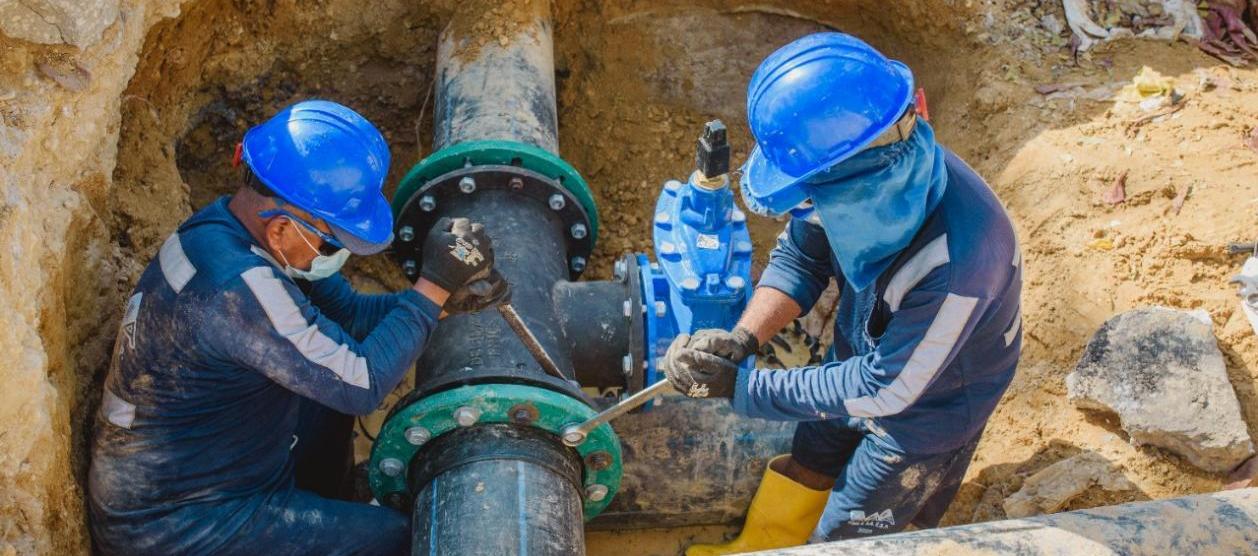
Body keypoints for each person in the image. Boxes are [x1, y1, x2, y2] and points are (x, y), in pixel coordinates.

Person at [87, 100, 506, 555]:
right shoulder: (238, 292)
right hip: (176, 525)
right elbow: (361, 382)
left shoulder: (227, 228)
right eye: (331, 240)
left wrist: (443, 301)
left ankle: (331, 505)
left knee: (325, 399)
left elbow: (350, 320)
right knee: (402, 538)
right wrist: (432, 286)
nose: (334, 253)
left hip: (201, 462)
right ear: (282, 228)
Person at [663, 33, 1023, 554]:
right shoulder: (861, 184)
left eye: (807, 205)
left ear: (856, 186)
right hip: (861, 360)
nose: (803, 217)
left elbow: (888, 392)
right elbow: (802, 258)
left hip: (929, 411)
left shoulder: (964, 260)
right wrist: (743, 339)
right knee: (809, 454)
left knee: (847, 536)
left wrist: (744, 391)